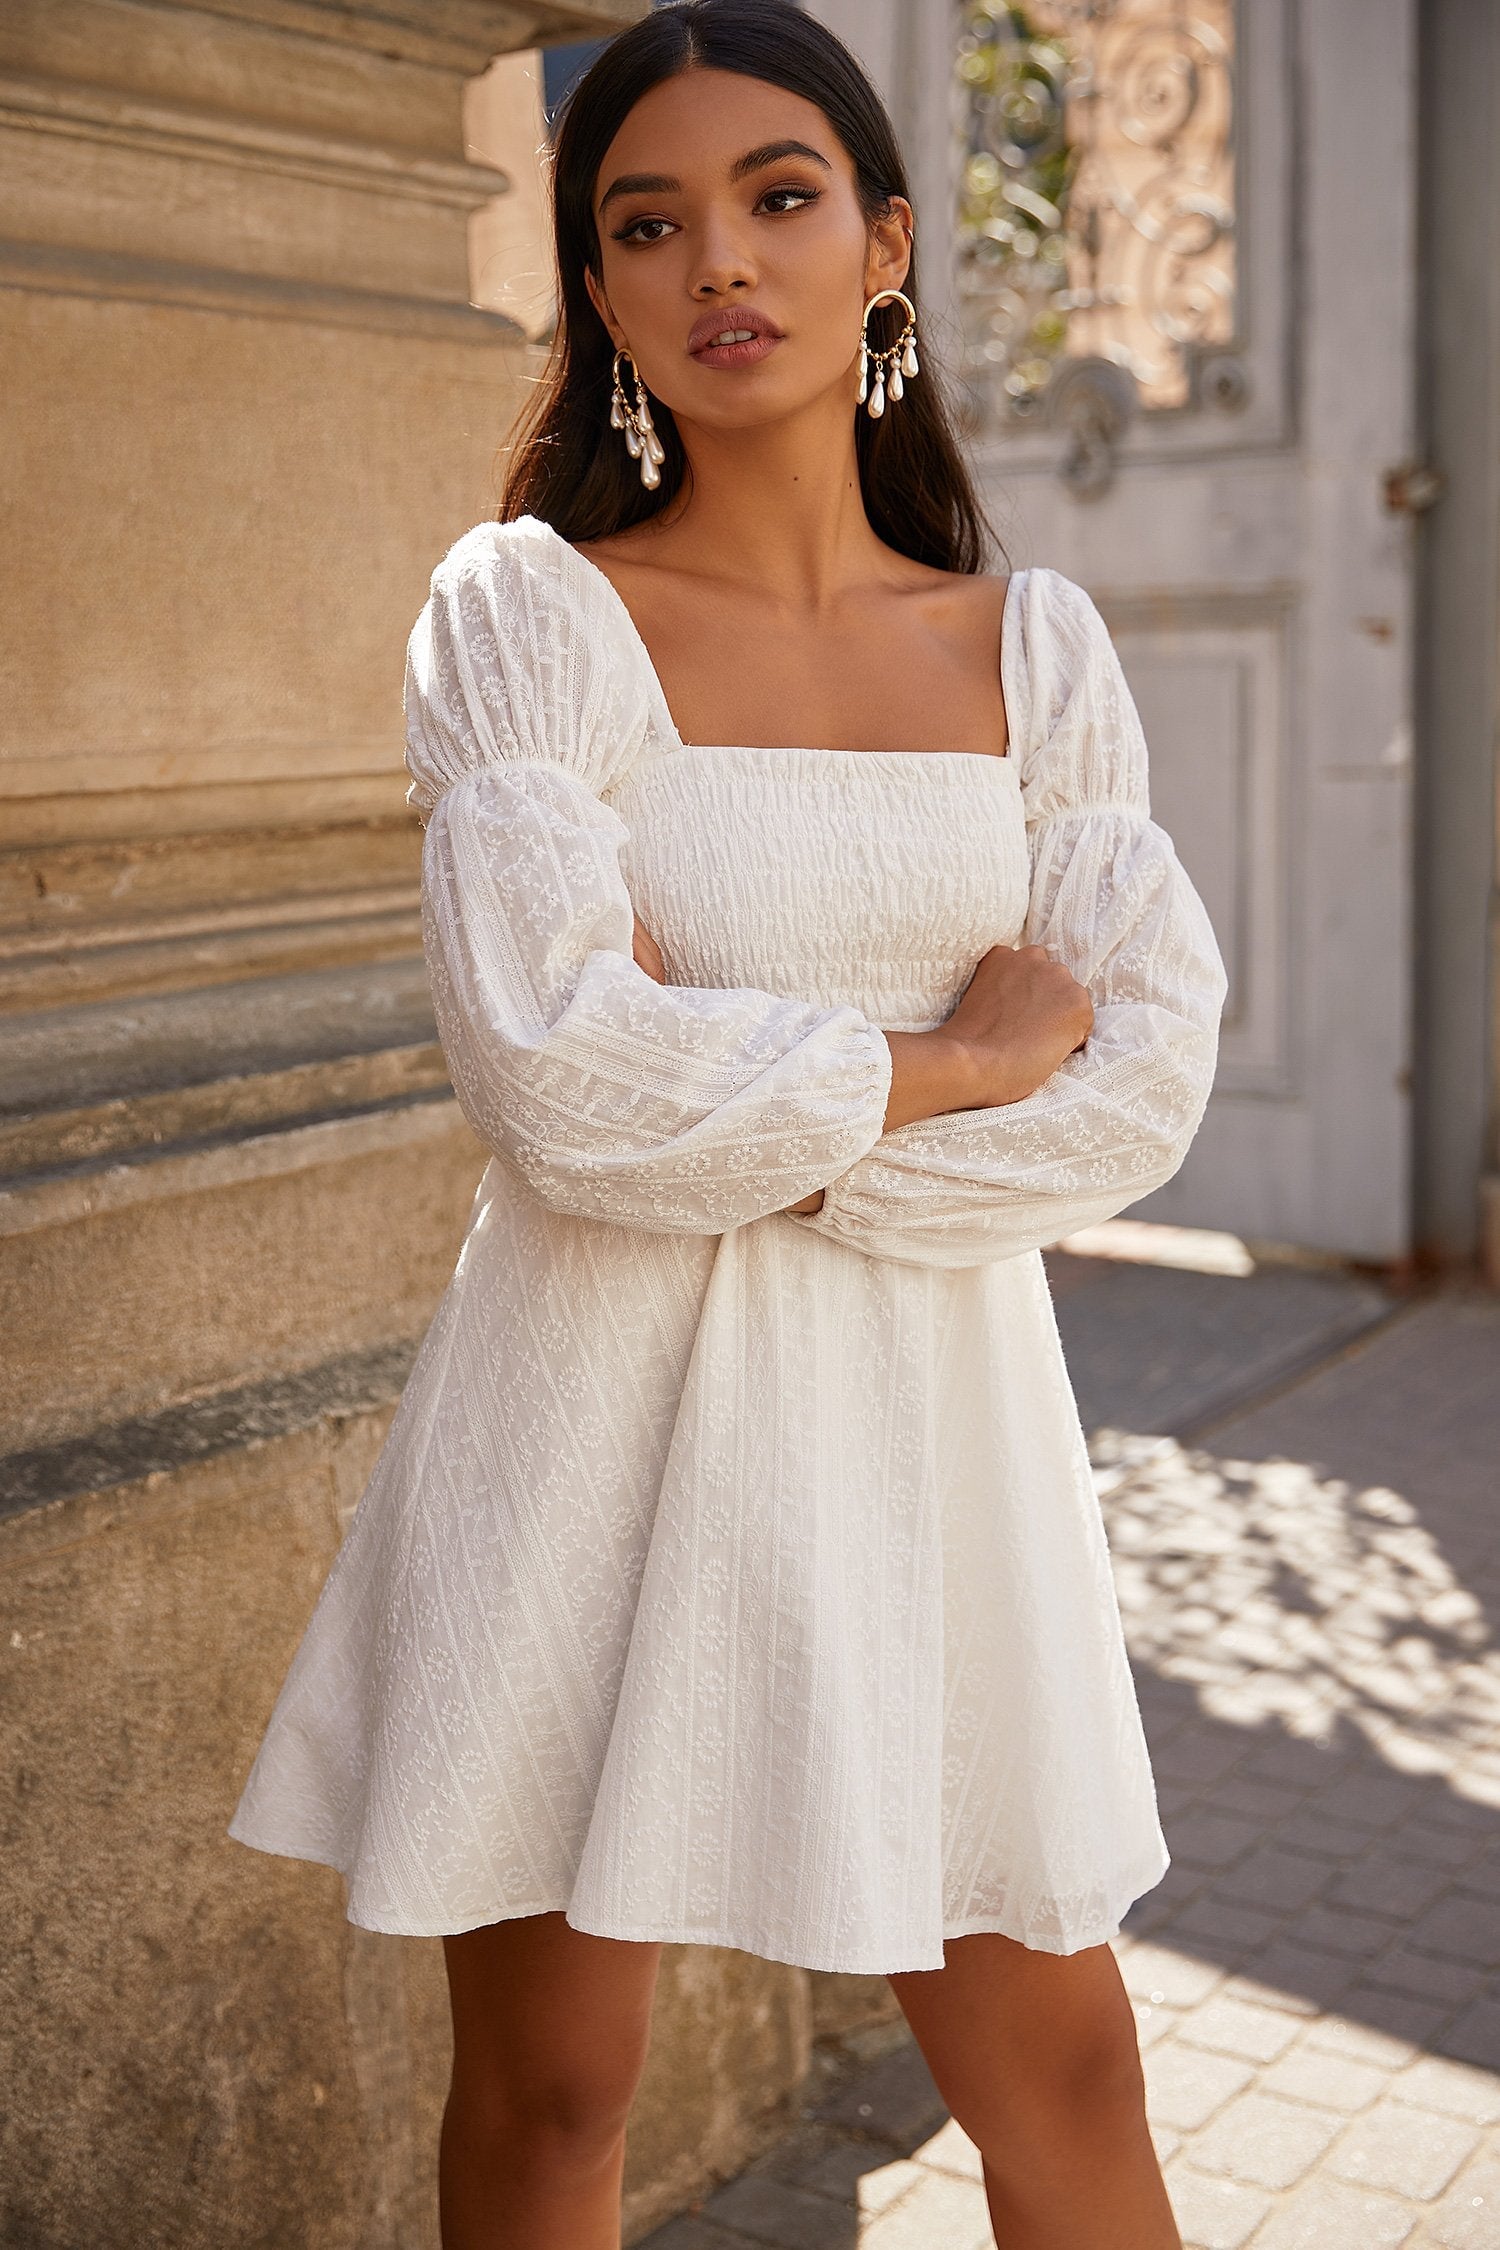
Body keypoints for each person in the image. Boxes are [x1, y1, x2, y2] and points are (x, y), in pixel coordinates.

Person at [228, 4, 1227, 2244]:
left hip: (932, 1439)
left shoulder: (1032, 649)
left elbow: (1143, 1083)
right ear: (597, 291)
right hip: (584, 1420)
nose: (718, 266)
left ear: (888, 244)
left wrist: (734, 1097)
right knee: (558, 2092)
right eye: (645, 222)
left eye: (780, 198)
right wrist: (957, 1063)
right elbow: (557, 1079)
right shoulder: (530, 617)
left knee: (1063, 2066)